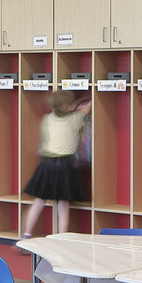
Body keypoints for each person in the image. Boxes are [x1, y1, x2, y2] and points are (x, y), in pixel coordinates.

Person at [21, 90, 90, 239]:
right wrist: (88, 97)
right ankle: (61, 238)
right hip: (65, 165)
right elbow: (87, 108)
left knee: (39, 200)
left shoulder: (48, 119)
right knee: (63, 204)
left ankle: (26, 235)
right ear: (70, 107)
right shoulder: (75, 119)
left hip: (46, 164)